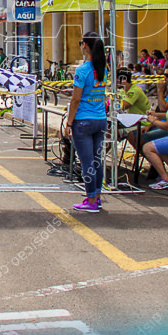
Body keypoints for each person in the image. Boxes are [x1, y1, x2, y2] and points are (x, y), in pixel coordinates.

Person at [62, 31, 108, 213]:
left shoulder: (82, 70)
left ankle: (90, 200)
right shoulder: (103, 68)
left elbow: (76, 100)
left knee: (87, 162)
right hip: (100, 119)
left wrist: (69, 123)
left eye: (82, 42)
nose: (80, 45)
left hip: (83, 121)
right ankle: (96, 197)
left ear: (86, 46)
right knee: (98, 160)